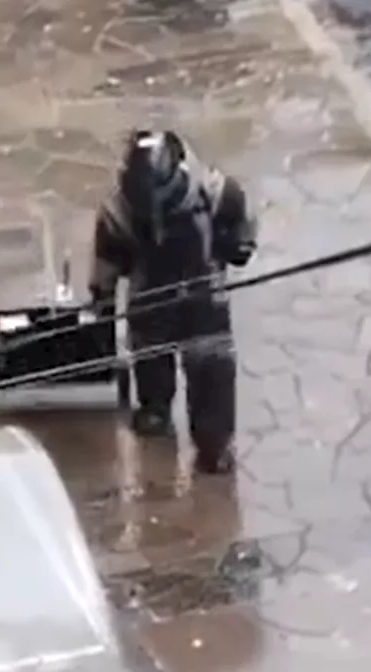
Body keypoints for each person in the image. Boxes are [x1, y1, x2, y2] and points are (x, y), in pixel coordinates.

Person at [88, 129, 258, 474]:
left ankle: (214, 445)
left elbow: (241, 221)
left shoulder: (215, 191)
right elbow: (107, 260)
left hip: (204, 300)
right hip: (148, 301)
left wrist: (240, 244)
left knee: (211, 370)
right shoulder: (117, 212)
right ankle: (155, 409)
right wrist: (101, 297)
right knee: (150, 359)